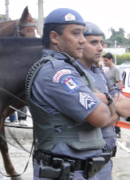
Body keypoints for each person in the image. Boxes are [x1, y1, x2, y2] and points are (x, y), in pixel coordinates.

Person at [26, 8, 115, 180]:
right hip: (68, 171)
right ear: (54, 37)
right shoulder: (58, 73)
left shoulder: (67, 68)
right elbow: (102, 117)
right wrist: (104, 99)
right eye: (76, 34)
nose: (82, 40)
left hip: (79, 169)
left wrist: (103, 99)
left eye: (82, 34)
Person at [77, 21, 122, 180]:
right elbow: (99, 119)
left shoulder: (99, 73)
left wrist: (109, 103)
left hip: (105, 158)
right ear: (80, 43)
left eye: (101, 42)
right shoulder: (74, 74)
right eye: (94, 42)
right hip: (85, 160)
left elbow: (126, 108)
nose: (101, 48)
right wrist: (114, 110)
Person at [102, 52, 122, 137]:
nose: (105, 62)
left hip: (114, 95)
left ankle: (117, 131)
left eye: (106, 60)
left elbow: (119, 83)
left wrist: (116, 94)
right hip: (108, 96)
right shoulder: (108, 69)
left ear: (111, 60)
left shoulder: (115, 69)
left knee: (115, 112)